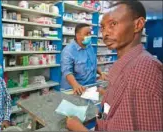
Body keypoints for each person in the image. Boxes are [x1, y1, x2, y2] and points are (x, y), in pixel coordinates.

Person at [66, 0, 163, 131]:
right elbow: (113, 110)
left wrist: (78, 128)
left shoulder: (144, 69)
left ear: (138, 24)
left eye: (113, 24)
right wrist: (108, 94)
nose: (105, 33)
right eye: (103, 27)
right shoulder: (124, 63)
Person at [61, 23, 106, 95]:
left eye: (90, 33)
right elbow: (67, 72)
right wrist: (75, 85)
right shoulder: (68, 51)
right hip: (75, 89)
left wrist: (101, 73)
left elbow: (92, 64)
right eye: (86, 34)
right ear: (77, 35)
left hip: (90, 86)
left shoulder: (89, 46)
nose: (89, 36)